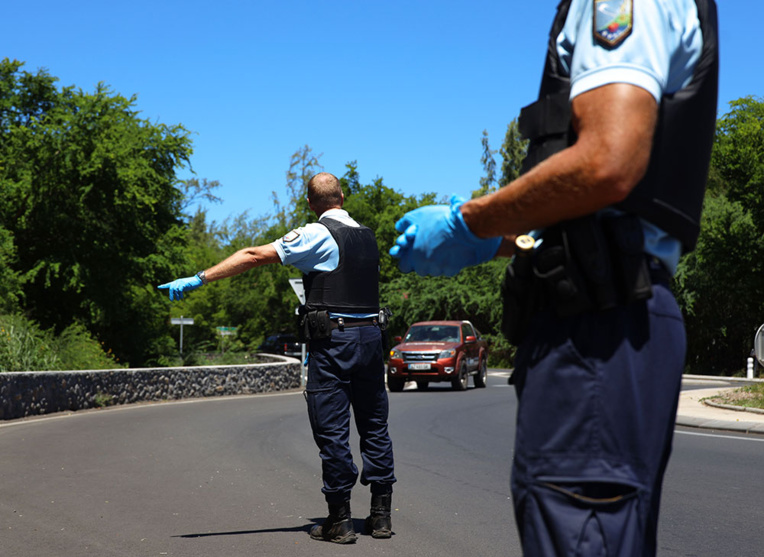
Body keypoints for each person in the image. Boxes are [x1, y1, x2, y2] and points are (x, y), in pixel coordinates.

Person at [390, 1, 718, 555]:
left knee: (578, 533)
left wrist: (468, 221)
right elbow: (600, 215)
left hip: (598, 323)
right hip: (602, 309)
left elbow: (608, 162)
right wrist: (497, 242)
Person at [159, 172, 396, 545]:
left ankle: (340, 520)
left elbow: (255, 255)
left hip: (335, 342)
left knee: (332, 428)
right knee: (374, 425)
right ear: (343, 197)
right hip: (371, 340)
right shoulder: (367, 236)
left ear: (309, 202)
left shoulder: (318, 235)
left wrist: (200, 277)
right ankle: (381, 517)